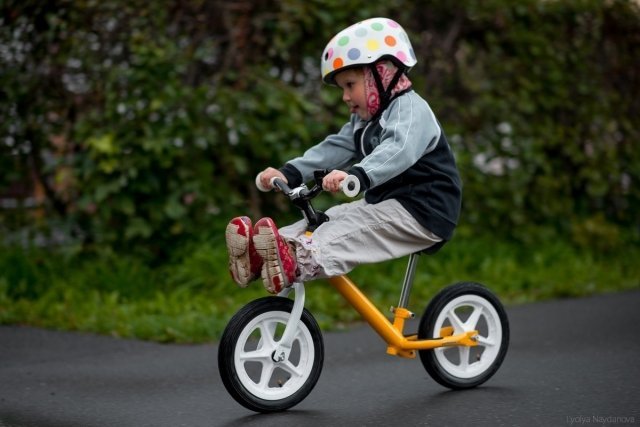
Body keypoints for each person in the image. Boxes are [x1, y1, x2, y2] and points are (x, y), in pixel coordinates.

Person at [225, 17, 462, 294]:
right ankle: (263, 254)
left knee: (352, 226)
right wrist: (288, 172)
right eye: (342, 89)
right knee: (329, 218)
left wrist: (357, 175)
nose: (345, 97)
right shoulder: (365, 120)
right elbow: (334, 148)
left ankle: (296, 259)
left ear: (382, 74)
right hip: (387, 202)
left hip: (424, 209)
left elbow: (398, 150)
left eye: (350, 85)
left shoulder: (411, 111)